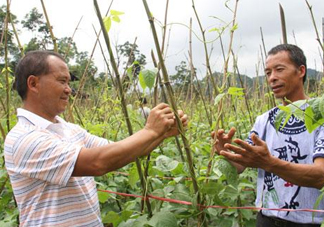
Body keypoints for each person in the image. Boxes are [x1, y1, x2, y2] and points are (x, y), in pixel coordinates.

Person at [4, 50, 188, 227]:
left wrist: (162, 133)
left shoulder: (69, 129)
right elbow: (98, 162)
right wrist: (150, 131)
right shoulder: (24, 138)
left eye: (69, 83)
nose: (69, 90)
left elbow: (118, 152)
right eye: (62, 81)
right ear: (33, 83)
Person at [214, 44, 324, 226]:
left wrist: (269, 163)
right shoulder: (264, 120)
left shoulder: (319, 114)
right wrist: (224, 151)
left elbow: (321, 176)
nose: (272, 78)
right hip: (266, 219)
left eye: (279, 70)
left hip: (309, 221)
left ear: (301, 71)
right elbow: (241, 166)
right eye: (268, 73)